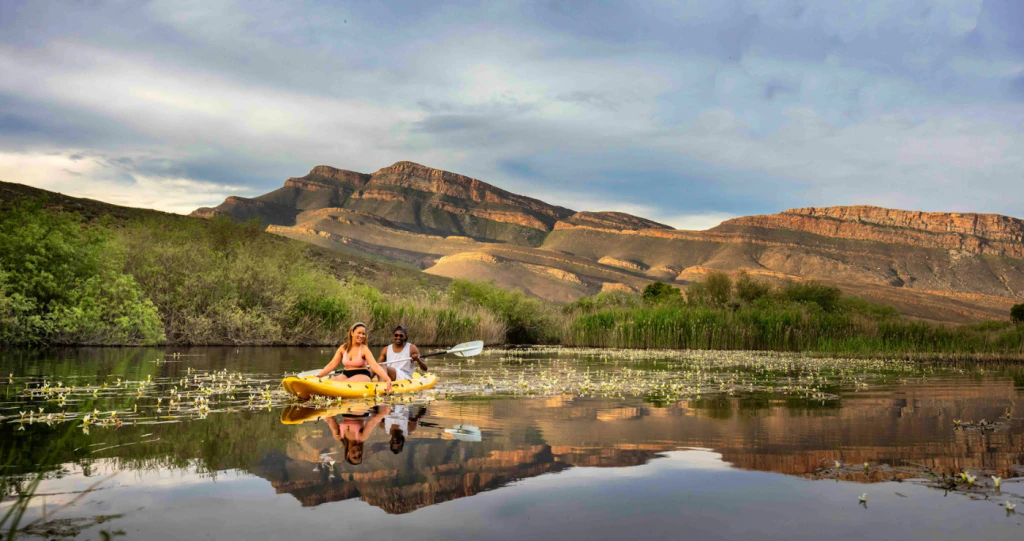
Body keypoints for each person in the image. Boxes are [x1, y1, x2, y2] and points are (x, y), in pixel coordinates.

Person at [317, 322, 391, 392]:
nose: (361, 336)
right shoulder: (343, 348)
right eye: (359, 333)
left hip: (362, 375)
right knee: (332, 380)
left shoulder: (364, 349)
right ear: (352, 333)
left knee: (344, 384)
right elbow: (331, 365)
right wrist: (318, 376)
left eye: (363, 334)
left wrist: (387, 379)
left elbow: (375, 366)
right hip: (346, 374)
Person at [324, 405, 390, 465]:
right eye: (359, 455)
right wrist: (383, 413)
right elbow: (372, 422)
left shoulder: (339, 436)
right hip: (361, 411)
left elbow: (330, 420)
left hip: (345, 411)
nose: (357, 453)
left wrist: (322, 412)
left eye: (354, 457)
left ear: (347, 455)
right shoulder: (362, 437)